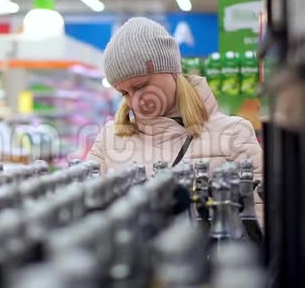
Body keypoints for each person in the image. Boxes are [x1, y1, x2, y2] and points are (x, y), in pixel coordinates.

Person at [88, 17, 263, 221]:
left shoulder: (234, 134)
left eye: (141, 86)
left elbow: (260, 226)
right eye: (124, 93)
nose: (135, 102)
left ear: (172, 71)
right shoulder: (109, 139)